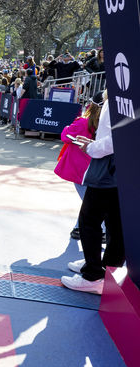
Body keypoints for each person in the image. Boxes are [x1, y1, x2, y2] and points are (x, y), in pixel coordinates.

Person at [61, 95, 125, 294]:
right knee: (114, 222)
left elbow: (117, 136)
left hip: (109, 168)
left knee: (90, 219)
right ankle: (102, 268)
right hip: (115, 167)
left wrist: (93, 147)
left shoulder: (122, 93)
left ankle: (94, 274)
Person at [54, 93, 101, 240]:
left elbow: (65, 135)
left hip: (80, 169)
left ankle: (85, 229)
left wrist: (69, 127)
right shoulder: (105, 125)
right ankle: (79, 229)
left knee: (90, 203)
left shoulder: (82, 123)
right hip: (96, 169)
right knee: (90, 201)